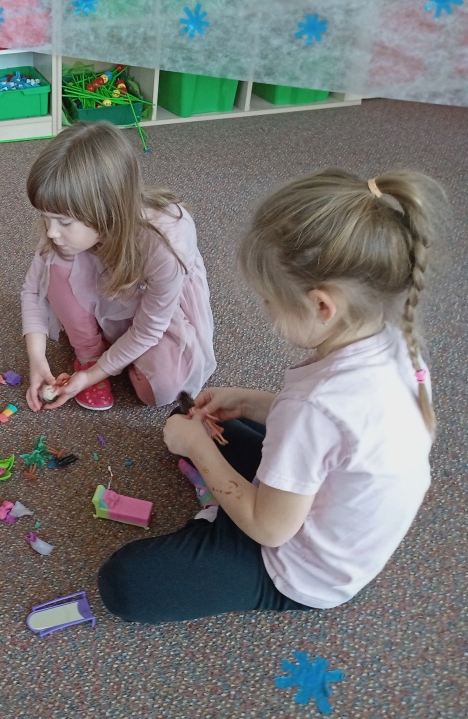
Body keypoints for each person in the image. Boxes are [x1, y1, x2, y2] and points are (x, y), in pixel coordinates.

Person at [98, 168, 441, 623]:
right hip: (333, 521)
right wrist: (251, 403)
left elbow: (270, 529)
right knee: (207, 424)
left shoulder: (315, 407)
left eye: (268, 300)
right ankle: (217, 481)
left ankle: (216, 513)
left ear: (321, 305)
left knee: (123, 583)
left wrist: (198, 450)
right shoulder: (397, 341)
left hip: (298, 572)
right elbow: (335, 434)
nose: (264, 309)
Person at [20, 120, 215, 411]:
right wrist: (37, 360)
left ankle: (113, 350)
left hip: (150, 305)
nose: (51, 231)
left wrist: (93, 377)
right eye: (45, 218)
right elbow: (34, 290)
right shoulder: (65, 232)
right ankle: (90, 351)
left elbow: (149, 328)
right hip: (103, 283)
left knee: (161, 390)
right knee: (57, 266)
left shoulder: (165, 244)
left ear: (105, 211)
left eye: (63, 222)